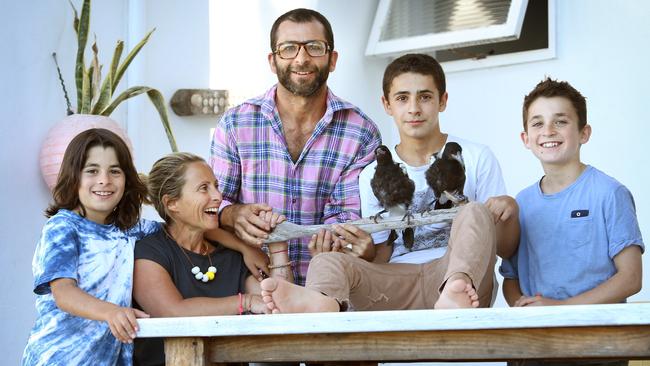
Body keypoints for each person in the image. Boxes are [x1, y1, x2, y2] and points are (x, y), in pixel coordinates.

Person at [260, 53, 519, 313]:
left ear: (443, 101)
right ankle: (323, 301)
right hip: (396, 283)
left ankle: (454, 289)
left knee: (473, 210)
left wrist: (509, 211)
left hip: (458, 281)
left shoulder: (477, 157)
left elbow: (503, 248)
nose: (414, 108)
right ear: (387, 104)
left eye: (425, 97)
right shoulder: (371, 174)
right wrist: (362, 251)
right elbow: (383, 254)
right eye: (402, 98)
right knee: (328, 261)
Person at [209, 8, 382, 285]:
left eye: (314, 47)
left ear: (332, 59)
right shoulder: (235, 124)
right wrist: (232, 214)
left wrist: (338, 239)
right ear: (272, 60)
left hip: (328, 290)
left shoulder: (361, 131)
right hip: (249, 289)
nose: (301, 59)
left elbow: (348, 217)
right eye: (288, 48)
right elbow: (211, 204)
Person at [499, 78, 643, 366]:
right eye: (537, 123)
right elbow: (511, 279)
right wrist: (522, 307)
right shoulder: (522, 202)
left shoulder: (609, 193)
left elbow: (631, 278)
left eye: (561, 121)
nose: (548, 131)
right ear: (525, 139)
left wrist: (561, 309)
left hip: (597, 346)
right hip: (533, 345)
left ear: (584, 133)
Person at [22, 128, 160, 366]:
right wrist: (111, 312)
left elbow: (181, 230)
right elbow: (64, 293)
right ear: (73, 176)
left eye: (114, 171)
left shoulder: (132, 230)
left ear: (127, 180)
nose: (104, 180)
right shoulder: (63, 227)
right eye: (92, 171)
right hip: (57, 358)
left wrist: (237, 243)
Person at [132, 152, 272, 366]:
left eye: (215, 185)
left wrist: (278, 243)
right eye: (203, 188)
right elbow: (173, 312)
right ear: (172, 204)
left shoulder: (231, 255)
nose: (218, 196)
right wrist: (245, 302)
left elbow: (276, 305)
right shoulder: (150, 252)